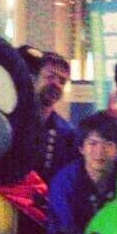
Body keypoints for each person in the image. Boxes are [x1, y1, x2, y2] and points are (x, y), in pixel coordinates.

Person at [47, 111, 117, 234]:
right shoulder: (64, 182)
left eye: (108, 144)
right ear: (81, 148)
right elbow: (62, 230)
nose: (99, 151)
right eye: (93, 143)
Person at [33, 51, 78, 183]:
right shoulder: (13, 122)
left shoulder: (67, 133)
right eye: (50, 76)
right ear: (34, 79)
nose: (56, 84)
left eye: (62, 81)